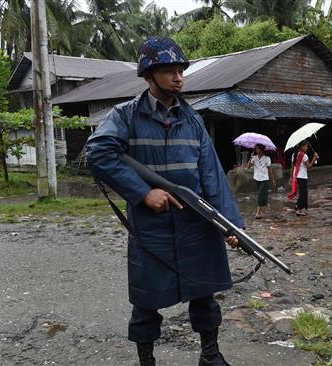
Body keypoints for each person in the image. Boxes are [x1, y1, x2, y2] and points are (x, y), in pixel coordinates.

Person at [86, 36, 241, 366]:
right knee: (146, 302)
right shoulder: (125, 116)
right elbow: (98, 152)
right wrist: (143, 193)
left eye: (181, 71)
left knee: (205, 295)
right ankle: (147, 361)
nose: (179, 78)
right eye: (169, 71)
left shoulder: (193, 120)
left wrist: (231, 226)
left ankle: (210, 356)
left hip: (197, 224)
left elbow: (212, 176)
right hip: (151, 227)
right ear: (148, 74)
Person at [288, 142, 318, 216]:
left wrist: (291, 177)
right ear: (301, 147)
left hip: (296, 176)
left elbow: (292, 167)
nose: (307, 148)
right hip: (302, 176)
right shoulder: (304, 156)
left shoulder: (293, 155)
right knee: (303, 194)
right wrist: (314, 158)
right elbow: (309, 167)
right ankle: (298, 209)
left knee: (302, 193)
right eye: (306, 146)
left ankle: (297, 206)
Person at [246, 144, 275, 219]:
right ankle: (264, 204)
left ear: (262, 150)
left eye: (258, 148)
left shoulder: (267, 158)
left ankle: (258, 213)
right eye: (255, 148)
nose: (256, 150)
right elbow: (248, 167)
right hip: (257, 178)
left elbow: (270, 169)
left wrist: (273, 179)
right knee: (261, 194)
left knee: (260, 196)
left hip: (264, 179)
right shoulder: (254, 158)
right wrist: (250, 157)